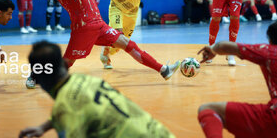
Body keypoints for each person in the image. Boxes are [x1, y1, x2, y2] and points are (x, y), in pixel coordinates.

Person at [8, 0, 180, 80]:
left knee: (129, 44)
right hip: (83, 29)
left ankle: (163, 69)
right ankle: (36, 74)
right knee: (66, 64)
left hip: (100, 26)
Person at [18, 41, 176, 138]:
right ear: (66, 65)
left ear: (38, 78)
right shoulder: (87, 79)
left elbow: (68, 111)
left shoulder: (65, 104)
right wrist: (43, 127)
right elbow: (75, 108)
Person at [197, 20, 277, 138]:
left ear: (270, 41)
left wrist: (212, 49)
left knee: (208, 109)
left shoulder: (270, 51)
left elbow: (223, 46)